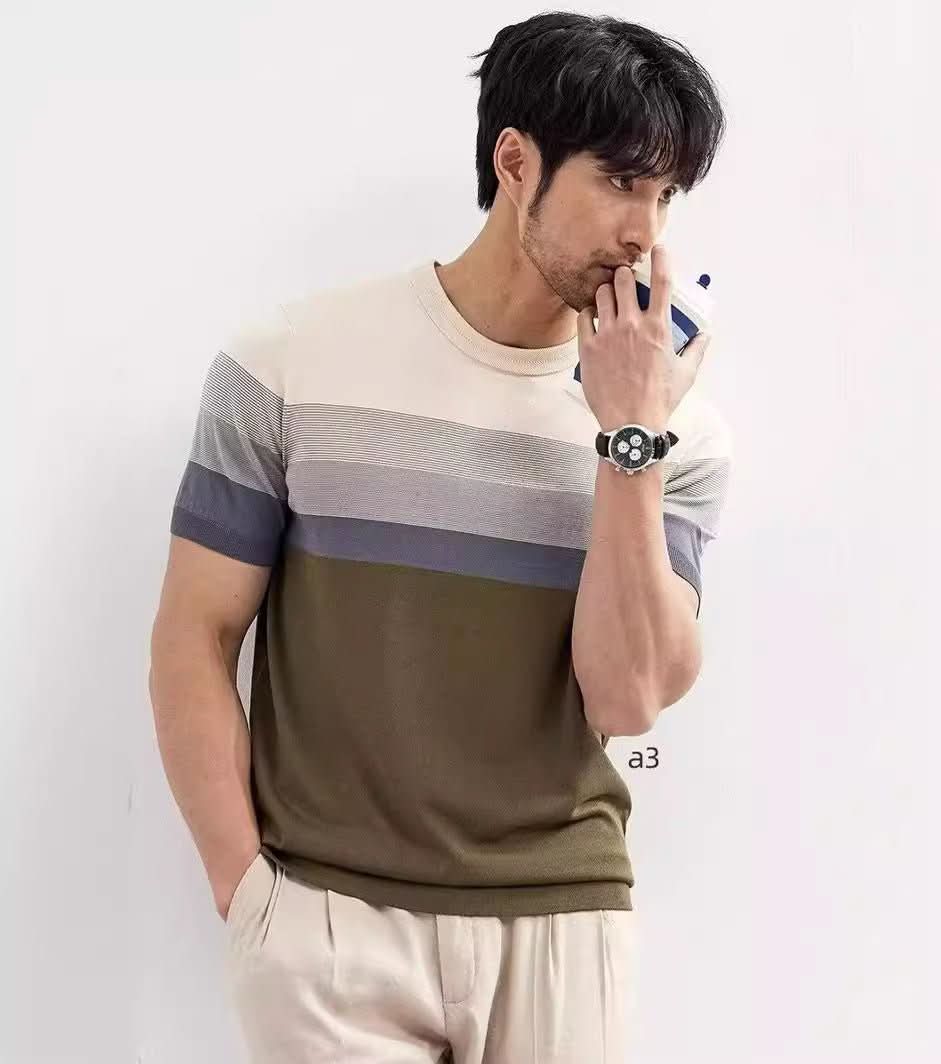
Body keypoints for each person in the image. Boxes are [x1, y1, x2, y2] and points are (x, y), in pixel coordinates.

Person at [148, 11, 732, 1063]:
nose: (644, 231)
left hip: (562, 924)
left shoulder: (674, 431)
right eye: (618, 181)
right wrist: (250, 895)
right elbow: (194, 635)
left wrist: (629, 439)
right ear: (515, 162)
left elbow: (627, 698)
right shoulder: (290, 363)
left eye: (664, 195)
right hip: (332, 929)